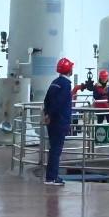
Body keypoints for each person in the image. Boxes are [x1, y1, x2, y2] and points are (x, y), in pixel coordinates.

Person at [41, 56, 75, 186]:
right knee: (56, 150)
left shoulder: (54, 82)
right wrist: (51, 115)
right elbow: (59, 103)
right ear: (69, 70)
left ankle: (51, 176)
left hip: (52, 121)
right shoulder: (66, 85)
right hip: (60, 121)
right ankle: (52, 177)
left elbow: (47, 100)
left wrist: (47, 114)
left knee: (53, 149)